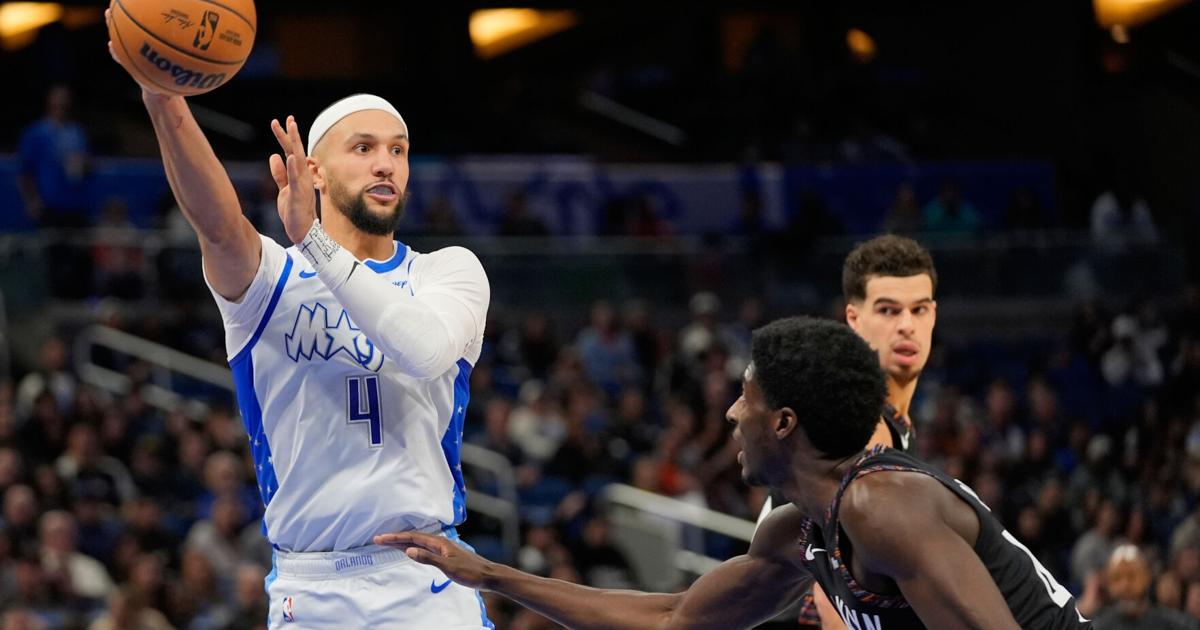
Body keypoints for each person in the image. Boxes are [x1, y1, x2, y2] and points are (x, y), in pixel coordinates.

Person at [106, 17, 493, 630]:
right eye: (363, 148)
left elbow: (423, 350)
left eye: (398, 150)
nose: (386, 164)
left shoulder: (449, 272)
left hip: (424, 581)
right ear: (313, 171)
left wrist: (315, 240)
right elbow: (217, 223)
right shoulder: (272, 282)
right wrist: (162, 96)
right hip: (308, 589)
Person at [379, 317, 1091, 628]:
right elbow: (674, 619)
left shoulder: (886, 507)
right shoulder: (799, 529)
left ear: (783, 421)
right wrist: (493, 575)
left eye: (744, 394)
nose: (726, 414)